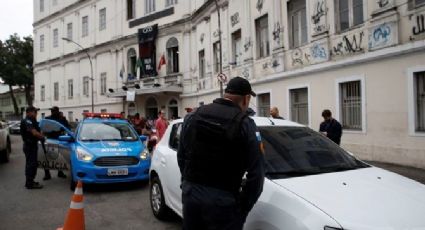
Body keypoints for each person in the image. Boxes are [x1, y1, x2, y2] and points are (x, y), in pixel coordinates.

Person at [177, 77, 265, 230]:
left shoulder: (194, 116)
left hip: (192, 197)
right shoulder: (246, 124)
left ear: (226, 94)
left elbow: (182, 155)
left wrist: (188, 184)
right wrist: (242, 208)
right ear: (246, 99)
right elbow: (257, 174)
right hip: (223, 201)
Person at [20, 106, 45, 189]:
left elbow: (38, 129)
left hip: (32, 145)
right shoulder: (27, 121)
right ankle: (30, 183)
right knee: (31, 164)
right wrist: (42, 137)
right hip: (29, 145)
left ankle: (29, 181)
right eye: (35, 112)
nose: (36, 113)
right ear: (29, 112)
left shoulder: (32, 120)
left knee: (31, 164)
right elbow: (34, 132)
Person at [43, 106, 68, 180]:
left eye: (53, 111)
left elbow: (67, 127)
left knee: (60, 157)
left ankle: (60, 172)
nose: (52, 112)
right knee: (47, 157)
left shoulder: (62, 118)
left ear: (57, 111)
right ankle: (47, 174)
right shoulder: (48, 118)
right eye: (51, 111)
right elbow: (43, 128)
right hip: (50, 139)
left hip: (60, 139)